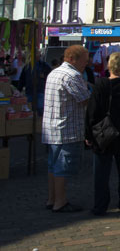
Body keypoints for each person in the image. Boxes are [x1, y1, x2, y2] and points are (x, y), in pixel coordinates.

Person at [85, 52, 120, 215]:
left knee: (101, 174)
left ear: (109, 66)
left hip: (104, 133)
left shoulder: (101, 85)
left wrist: (88, 135)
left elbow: (92, 113)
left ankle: (101, 206)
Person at [42, 45, 91, 212]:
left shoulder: (54, 72)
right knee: (62, 167)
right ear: (73, 59)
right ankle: (60, 202)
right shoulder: (72, 75)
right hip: (66, 128)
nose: (86, 64)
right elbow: (84, 100)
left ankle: (52, 199)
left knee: (53, 166)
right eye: (84, 61)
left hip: (52, 128)